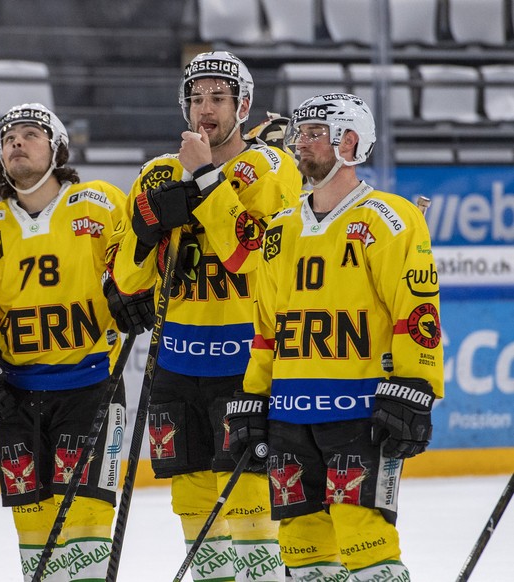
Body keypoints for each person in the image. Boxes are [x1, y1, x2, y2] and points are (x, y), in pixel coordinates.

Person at [225, 93, 444, 581]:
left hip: (359, 414)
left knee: (368, 547)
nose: (300, 144)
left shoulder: (388, 219)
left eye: (314, 133)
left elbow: (418, 314)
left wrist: (416, 388)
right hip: (289, 416)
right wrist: (252, 396)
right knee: (303, 557)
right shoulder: (279, 230)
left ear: (349, 141)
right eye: (299, 133)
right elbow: (267, 330)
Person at [108, 51, 301, 581]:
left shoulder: (269, 168)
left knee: (248, 504)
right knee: (193, 505)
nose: (205, 110)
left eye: (218, 98)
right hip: (175, 364)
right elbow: (125, 284)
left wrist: (208, 180)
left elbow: (251, 256)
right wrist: (148, 232)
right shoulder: (156, 173)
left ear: (243, 106)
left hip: (245, 361)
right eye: (197, 99)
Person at [0, 102, 154, 582]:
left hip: (92, 386)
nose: (17, 143)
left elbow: (128, 269)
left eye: (30, 134)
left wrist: (131, 290)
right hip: (18, 396)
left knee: (85, 525)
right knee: (34, 534)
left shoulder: (98, 203)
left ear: (57, 148)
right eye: (8, 138)